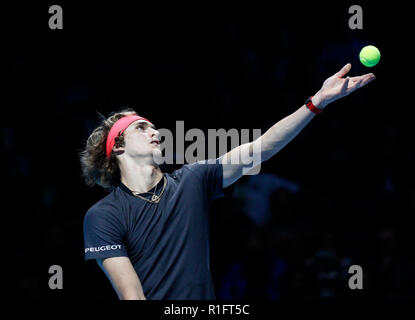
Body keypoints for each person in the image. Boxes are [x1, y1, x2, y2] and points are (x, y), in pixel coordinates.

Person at [80, 63, 375, 300]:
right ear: (117, 147)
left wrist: (317, 102)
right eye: (141, 128)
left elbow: (260, 148)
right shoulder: (103, 216)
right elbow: (131, 295)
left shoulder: (193, 180)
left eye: (154, 127)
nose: (154, 132)